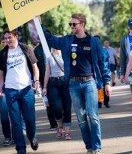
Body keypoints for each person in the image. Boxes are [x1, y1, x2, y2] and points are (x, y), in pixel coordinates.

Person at [42, 13, 112, 154]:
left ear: (82, 24)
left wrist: (107, 82)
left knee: (93, 116)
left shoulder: (93, 42)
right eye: (70, 24)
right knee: (81, 119)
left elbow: (102, 62)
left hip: (89, 82)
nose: (72, 27)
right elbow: (51, 40)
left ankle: (97, 147)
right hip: (73, 84)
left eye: (74, 24)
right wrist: (39, 24)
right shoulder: (67, 40)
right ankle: (89, 147)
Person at [0, 29, 39, 154]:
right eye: (6, 38)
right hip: (10, 90)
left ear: (16, 36)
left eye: (10, 37)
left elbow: (35, 68)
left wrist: (36, 81)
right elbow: (0, 73)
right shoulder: (3, 53)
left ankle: (32, 137)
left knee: (30, 118)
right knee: (15, 121)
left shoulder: (26, 49)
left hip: (26, 89)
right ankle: (20, 148)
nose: (7, 40)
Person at [28, 18, 57, 130]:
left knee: (57, 101)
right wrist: (37, 81)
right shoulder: (37, 50)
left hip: (56, 78)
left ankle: (60, 118)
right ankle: (53, 122)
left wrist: (39, 22)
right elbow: (35, 67)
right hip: (44, 80)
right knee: (48, 102)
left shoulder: (54, 48)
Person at [43, 47, 72, 140]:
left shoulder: (66, 55)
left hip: (65, 82)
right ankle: (60, 125)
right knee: (57, 106)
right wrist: (44, 87)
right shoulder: (49, 57)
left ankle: (67, 131)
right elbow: (47, 72)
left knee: (67, 107)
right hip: (53, 83)